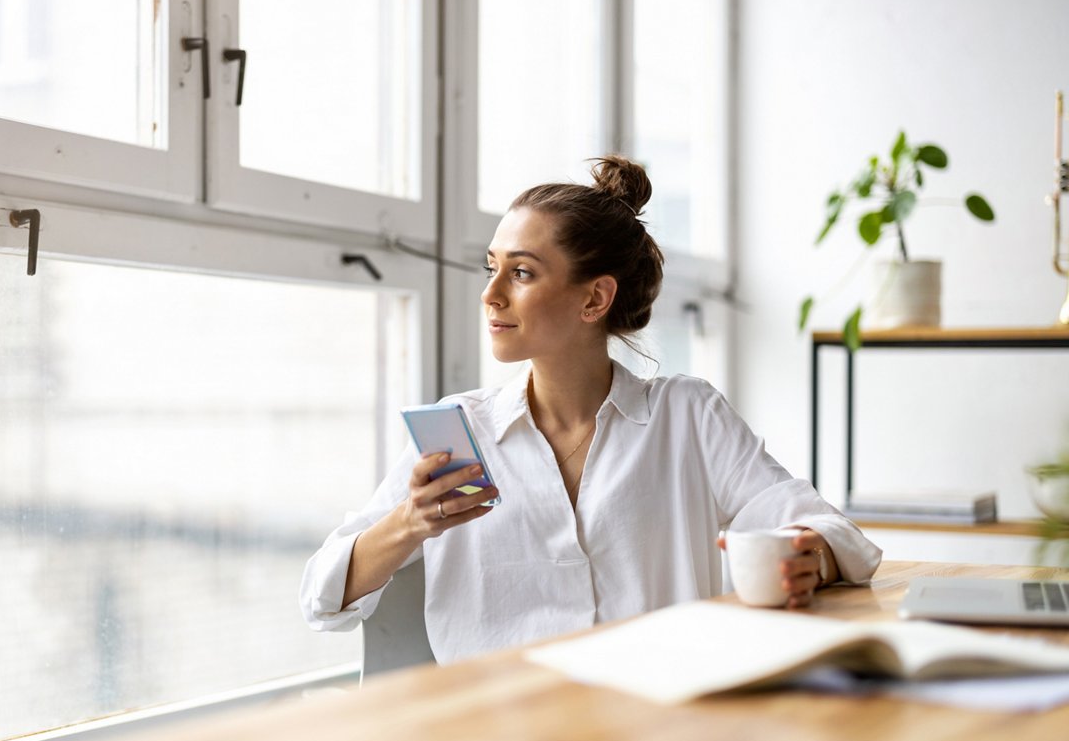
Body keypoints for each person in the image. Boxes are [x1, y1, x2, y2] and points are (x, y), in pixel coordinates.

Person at [300, 155, 882, 663]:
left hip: (659, 722)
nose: (491, 292)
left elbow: (834, 533)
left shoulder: (687, 415)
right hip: (501, 738)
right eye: (491, 266)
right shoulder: (461, 430)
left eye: (521, 272)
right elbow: (322, 597)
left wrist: (813, 557)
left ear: (595, 298)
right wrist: (410, 522)